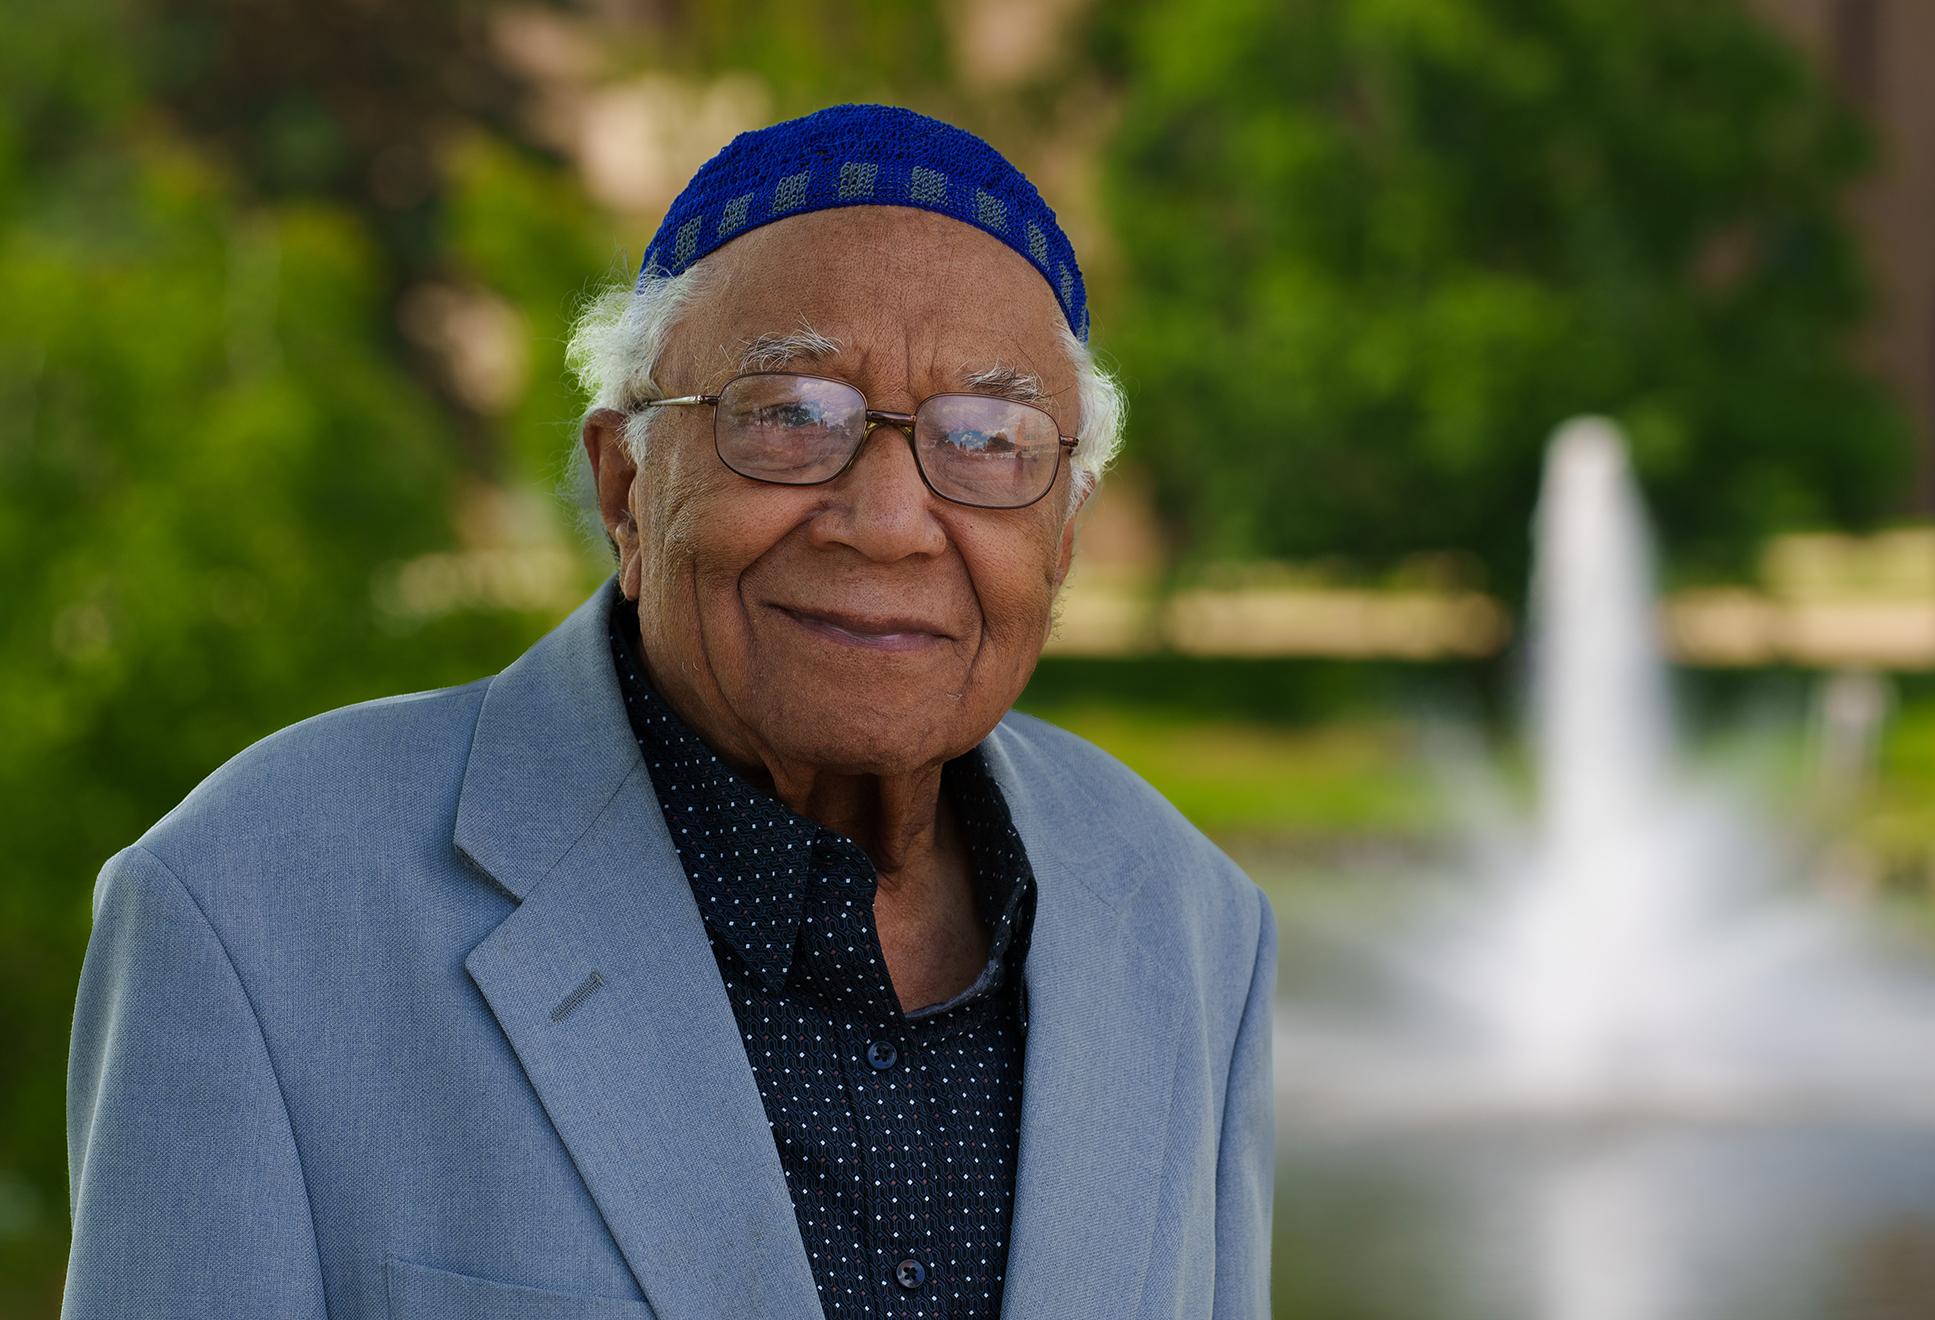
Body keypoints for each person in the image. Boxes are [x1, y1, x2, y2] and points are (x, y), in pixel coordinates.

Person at [62, 104, 1276, 1320]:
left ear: (1061, 535)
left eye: (988, 440)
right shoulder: (251, 901)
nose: (892, 522)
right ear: (625, 486)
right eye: (790, 416)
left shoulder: (1189, 917)